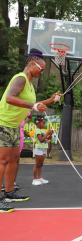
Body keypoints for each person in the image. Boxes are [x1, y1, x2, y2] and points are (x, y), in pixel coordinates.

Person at [0, 48, 60, 212]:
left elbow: (35, 103)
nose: (41, 72)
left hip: (13, 126)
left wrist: (51, 100)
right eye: (41, 69)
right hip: (3, 123)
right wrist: (33, 105)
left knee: (14, 161)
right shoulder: (20, 78)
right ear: (32, 63)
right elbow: (10, 98)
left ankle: (9, 192)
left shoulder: (30, 85)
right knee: (2, 161)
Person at [32, 117, 53, 186]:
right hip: (39, 149)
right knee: (37, 164)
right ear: (38, 123)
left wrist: (50, 135)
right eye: (43, 123)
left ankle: (39, 178)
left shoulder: (42, 131)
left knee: (41, 164)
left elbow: (45, 139)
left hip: (43, 148)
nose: (44, 125)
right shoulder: (37, 130)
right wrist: (47, 133)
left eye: (44, 123)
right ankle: (35, 179)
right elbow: (40, 140)